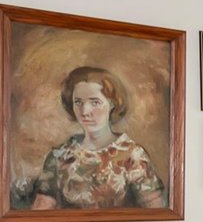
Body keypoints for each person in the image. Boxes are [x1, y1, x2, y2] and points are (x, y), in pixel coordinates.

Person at [29, 66, 166, 209]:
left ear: (112, 104)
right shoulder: (59, 156)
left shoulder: (133, 156)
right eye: (78, 102)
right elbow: (41, 211)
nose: (85, 111)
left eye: (95, 102)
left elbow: (155, 212)